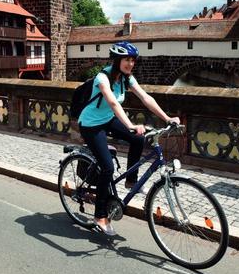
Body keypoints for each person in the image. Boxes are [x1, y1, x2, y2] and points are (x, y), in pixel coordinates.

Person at [77, 41, 180, 236]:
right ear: (117, 60)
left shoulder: (127, 78)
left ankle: (131, 181)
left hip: (106, 120)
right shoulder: (102, 77)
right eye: (126, 59)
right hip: (90, 124)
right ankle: (100, 216)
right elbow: (114, 103)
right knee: (107, 166)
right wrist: (131, 125)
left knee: (138, 139)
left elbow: (145, 97)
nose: (130, 64)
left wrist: (167, 118)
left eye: (133, 60)